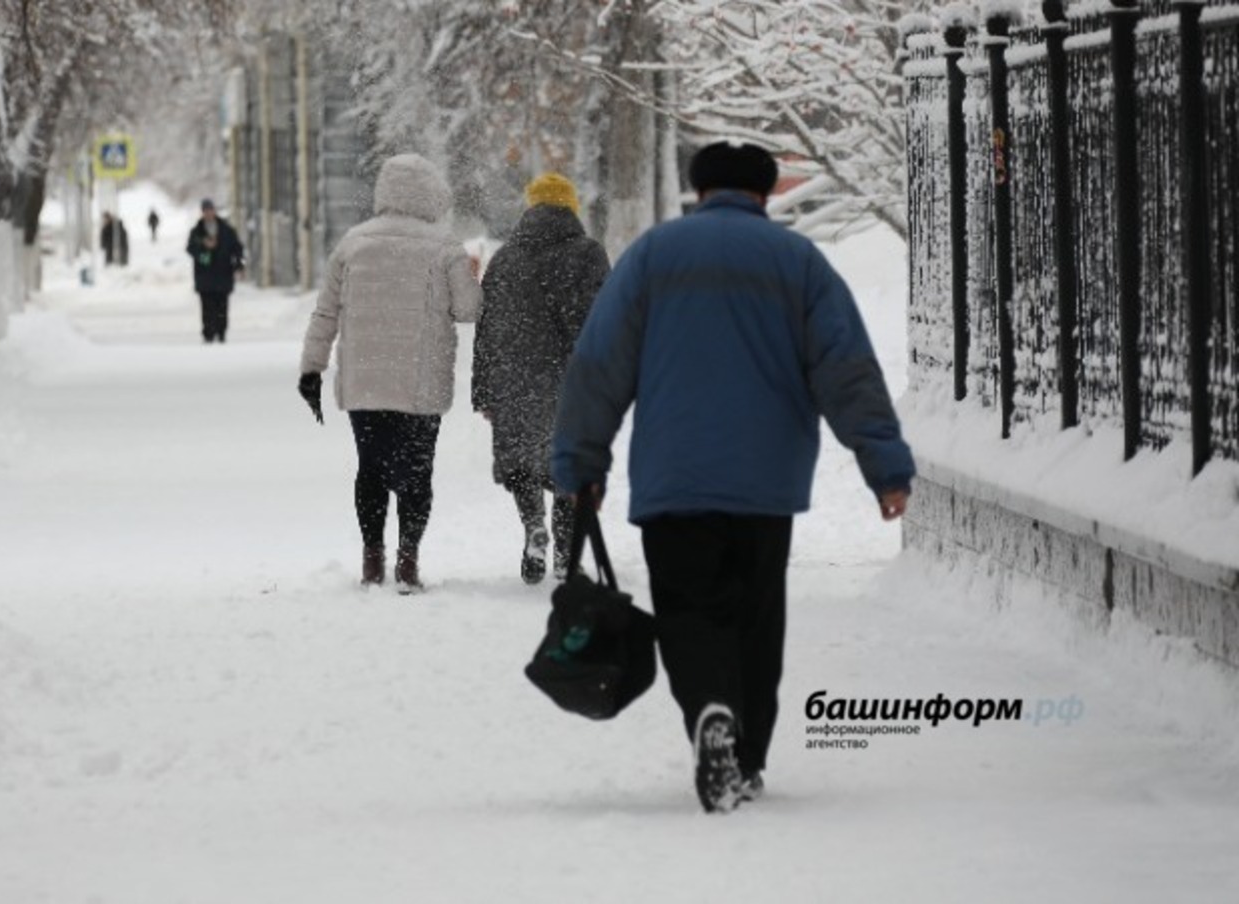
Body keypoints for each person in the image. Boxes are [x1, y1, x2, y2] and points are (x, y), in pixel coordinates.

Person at [550, 142, 916, 813]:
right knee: (756, 619)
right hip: (764, 483)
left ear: (698, 189)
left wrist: (581, 461)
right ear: (766, 193)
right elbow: (846, 369)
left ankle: (709, 710)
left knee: (689, 612)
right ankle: (746, 758)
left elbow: (598, 363)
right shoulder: (797, 262)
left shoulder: (653, 256)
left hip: (675, 479)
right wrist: (884, 467)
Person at [297, 154, 482, 593]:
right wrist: (474, 277)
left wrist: (311, 369)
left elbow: (326, 312)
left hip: (365, 383)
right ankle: (408, 561)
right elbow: (468, 310)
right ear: (430, 194)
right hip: (420, 382)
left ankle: (372, 560)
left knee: (372, 470)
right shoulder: (445, 248)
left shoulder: (353, 243)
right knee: (416, 473)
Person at [473, 173, 609, 585]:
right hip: (570, 378)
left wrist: (484, 391)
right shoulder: (588, 254)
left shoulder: (505, 258)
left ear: (530, 207)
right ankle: (566, 553)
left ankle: (533, 527)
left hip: (513, 379)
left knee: (522, 463)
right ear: (572, 207)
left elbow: (487, 328)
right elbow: (603, 320)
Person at [187, 199, 246, 343]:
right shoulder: (197, 231)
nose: (208, 213)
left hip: (223, 274)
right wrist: (203, 250)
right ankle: (208, 332)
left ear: (214, 211)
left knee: (222, 306)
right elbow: (191, 248)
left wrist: (239, 266)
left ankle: (221, 332)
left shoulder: (226, 230)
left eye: (210, 210)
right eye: (205, 210)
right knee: (207, 306)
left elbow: (237, 249)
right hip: (204, 276)